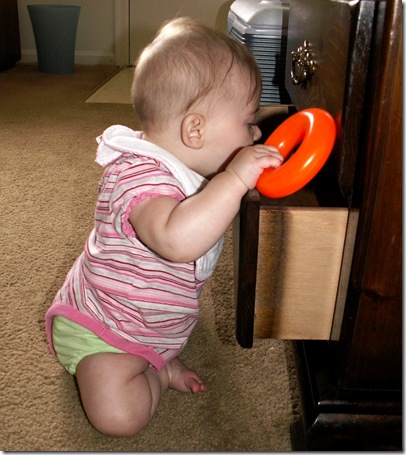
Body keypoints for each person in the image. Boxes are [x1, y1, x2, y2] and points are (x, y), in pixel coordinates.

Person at [45, 17, 283, 437]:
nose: (256, 130)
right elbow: (175, 240)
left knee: (148, 357)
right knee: (119, 417)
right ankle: (156, 372)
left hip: (151, 320)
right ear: (195, 130)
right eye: (248, 121)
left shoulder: (191, 173)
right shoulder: (140, 179)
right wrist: (234, 180)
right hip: (104, 328)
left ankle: (157, 356)